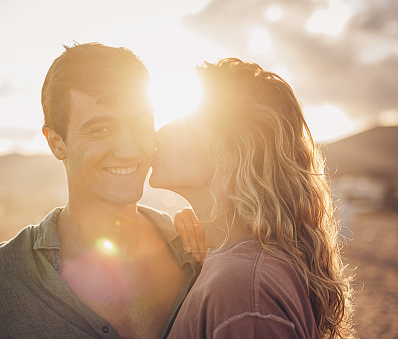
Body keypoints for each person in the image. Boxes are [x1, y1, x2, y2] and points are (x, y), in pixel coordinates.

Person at [0, 43, 198, 339]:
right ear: (56, 143)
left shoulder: (199, 255)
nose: (128, 149)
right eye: (101, 129)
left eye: (140, 124)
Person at [150, 58, 355, 338]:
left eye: (183, 124)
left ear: (226, 155)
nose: (158, 135)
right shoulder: (238, 267)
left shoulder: (243, 290)